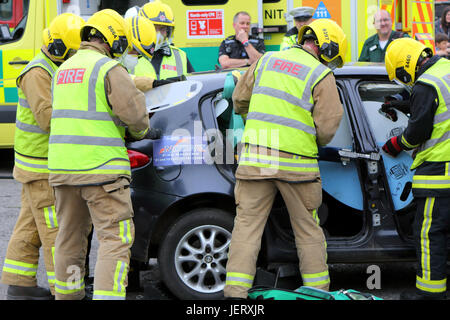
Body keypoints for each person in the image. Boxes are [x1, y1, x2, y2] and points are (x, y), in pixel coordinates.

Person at [223, 18, 347, 299]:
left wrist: (255, 123)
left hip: (255, 161)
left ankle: (234, 295)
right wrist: (308, 138)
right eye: (334, 57)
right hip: (298, 166)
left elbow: (240, 99)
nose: (332, 63)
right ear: (326, 48)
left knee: (246, 229)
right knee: (307, 231)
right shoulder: (320, 74)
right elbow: (327, 126)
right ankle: (317, 293)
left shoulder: (267, 61)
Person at [48, 9, 158, 300]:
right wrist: (140, 132)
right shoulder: (109, 69)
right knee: (115, 241)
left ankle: (68, 295)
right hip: (102, 172)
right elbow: (136, 118)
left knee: (69, 240)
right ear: (114, 40)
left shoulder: (62, 70)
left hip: (63, 172)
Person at [0, 13, 84, 300]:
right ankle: (65, 290)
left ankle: (19, 285)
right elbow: (48, 118)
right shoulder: (38, 72)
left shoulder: (50, 67)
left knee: (30, 226)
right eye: (72, 51)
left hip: (37, 165)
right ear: (59, 47)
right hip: (41, 168)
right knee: (54, 231)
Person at [382, 37, 449, 300]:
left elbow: (417, 132)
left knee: (430, 235)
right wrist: (402, 101)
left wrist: (395, 145)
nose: (405, 83)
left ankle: (430, 294)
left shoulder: (427, 84)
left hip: (439, 175)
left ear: (404, 67)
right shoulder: (444, 70)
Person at [136, 0, 194, 80]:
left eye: (162, 28)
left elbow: (192, 84)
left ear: (168, 31)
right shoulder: (131, 54)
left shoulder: (179, 56)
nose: (158, 33)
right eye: (154, 27)